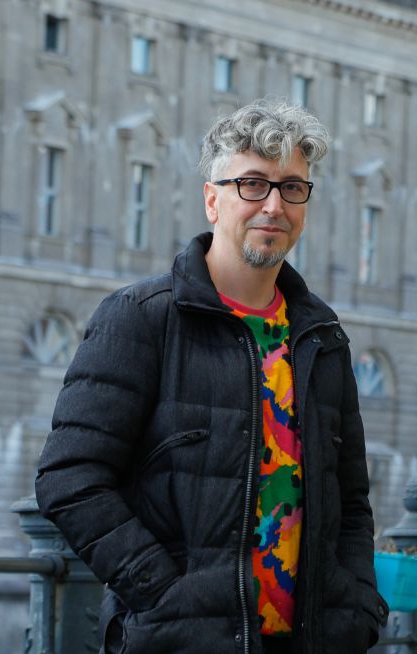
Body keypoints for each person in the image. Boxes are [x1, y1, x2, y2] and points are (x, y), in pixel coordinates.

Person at [36, 99, 388, 654]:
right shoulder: (142, 317)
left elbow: (351, 502)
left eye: (292, 187)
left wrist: (358, 607)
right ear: (212, 200)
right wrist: (165, 596)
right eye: (252, 184)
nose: (274, 204)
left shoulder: (322, 336)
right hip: (180, 641)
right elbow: (70, 478)